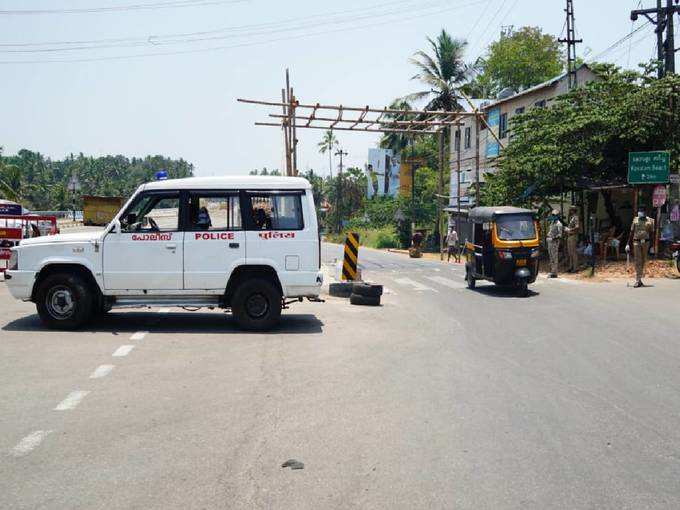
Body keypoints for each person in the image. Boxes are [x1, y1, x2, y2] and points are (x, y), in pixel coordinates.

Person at [626, 205, 655, 288]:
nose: (640, 212)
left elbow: (652, 234)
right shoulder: (635, 220)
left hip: (646, 243)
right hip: (636, 242)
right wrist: (628, 243)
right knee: (638, 260)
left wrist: (652, 246)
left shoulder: (650, 221)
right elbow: (631, 232)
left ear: (645, 212)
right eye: (639, 210)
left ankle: (640, 279)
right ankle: (638, 280)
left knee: (643, 260)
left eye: (642, 211)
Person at [546, 210, 563, 278]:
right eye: (552, 215)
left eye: (554, 215)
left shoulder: (559, 224)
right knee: (551, 257)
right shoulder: (552, 222)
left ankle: (554, 273)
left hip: (554, 242)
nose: (553, 216)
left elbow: (559, 235)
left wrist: (553, 239)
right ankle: (552, 271)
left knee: (554, 257)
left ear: (557, 216)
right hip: (550, 241)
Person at [564, 205, 580, 272]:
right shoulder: (571, 217)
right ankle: (571, 267)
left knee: (573, 252)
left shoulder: (575, 217)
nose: (569, 211)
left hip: (573, 236)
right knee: (570, 252)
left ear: (573, 210)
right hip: (569, 236)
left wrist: (569, 229)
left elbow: (577, 227)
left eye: (570, 210)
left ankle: (575, 268)